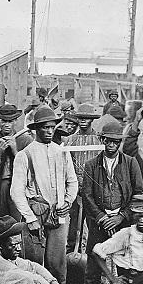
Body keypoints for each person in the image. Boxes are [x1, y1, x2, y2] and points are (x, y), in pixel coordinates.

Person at [73, 117, 143, 284]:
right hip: (99, 222)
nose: (111, 145)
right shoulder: (91, 165)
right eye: (108, 141)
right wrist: (103, 218)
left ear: (120, 143)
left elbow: (137, 195)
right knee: (94, 265)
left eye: (115, 142)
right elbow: (86, 196)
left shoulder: (131, 164)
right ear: (102, 139)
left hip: (123, 223)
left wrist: (121, 217)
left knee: (125, 266)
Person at [11, 105, 79, 284]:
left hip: (59, 214)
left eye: (51, 127)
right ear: (36, 129)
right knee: (33, 263)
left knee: (57, 262)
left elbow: (72, 182)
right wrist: (30, 218)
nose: (49, 131)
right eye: (44, 127)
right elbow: (16, 191)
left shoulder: (61, 152)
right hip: (36, 213)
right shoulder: (25, 155)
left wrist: (67, 201)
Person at [65, 103, 104, 252]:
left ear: (91, 120)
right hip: (74, 187)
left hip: (93, 188)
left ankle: (91, 257)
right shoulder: (69, 140)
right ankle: (71, 255)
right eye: (80, 118)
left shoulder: (99, 140)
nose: (82, 121)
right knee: (74, 224)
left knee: (93, 224)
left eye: (86, 118)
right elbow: (66, 166)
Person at [0, 103, 28, 218]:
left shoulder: (25, 140)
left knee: (18, 222)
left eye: (10, 121)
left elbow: (30, 170)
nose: (7, 125)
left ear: (16, 121)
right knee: (0, 223)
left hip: (19, 188)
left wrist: (15, 150)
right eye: (3, 121)